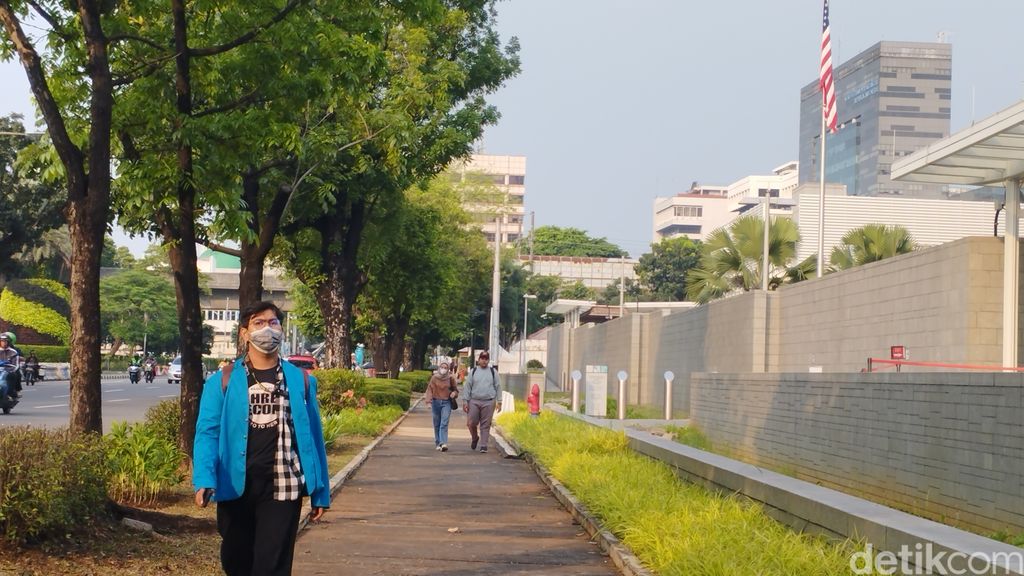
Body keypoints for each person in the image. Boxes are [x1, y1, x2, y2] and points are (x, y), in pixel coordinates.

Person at [193, 301, 331, 576]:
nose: (267, 329)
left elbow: (313, 438)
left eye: (273, 322)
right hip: (235, 485)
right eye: (258, 323)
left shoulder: (302, 380)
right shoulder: (222, 381)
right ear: (244, 333)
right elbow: (207, 432)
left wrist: (321, 492)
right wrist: (204, 479)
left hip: (283, 486)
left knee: (272, 566)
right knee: (237, 561)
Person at [462, 351, 501, 453]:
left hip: (489, 401)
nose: (484, 361)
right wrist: (465, 401)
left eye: (486, 359)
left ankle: (484, 445)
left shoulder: (493, 372)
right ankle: (475, 437)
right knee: (471, 423)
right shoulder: (473, 371)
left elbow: (498, 386)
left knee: (485, 424)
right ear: (478, 360)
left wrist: (499, 401)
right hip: (474, 400)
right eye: (482, 358)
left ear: (488, 360)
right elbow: (467, 387)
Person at [424, 360, 458, 452]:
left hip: (447, 402)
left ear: (448, 369)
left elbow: (455, 390)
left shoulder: (450, 378)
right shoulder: (434, 378)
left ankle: (443, 442)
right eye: (442, 367)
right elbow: (430, 389)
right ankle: (438, 442)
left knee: (444, 422)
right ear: (439, 368)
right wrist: (428, 402)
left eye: (446, 368)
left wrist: (454, 394)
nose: (444, 369)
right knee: (437, 423)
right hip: (435, 402)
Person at [0, 333, 22, 397]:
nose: (4, 343)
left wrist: (11, 369)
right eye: (2, 341)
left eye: (5, 341)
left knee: (16, 374)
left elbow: (16, 365)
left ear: (8, 342)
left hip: (8, 370)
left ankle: (13, 392)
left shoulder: (14, 351)